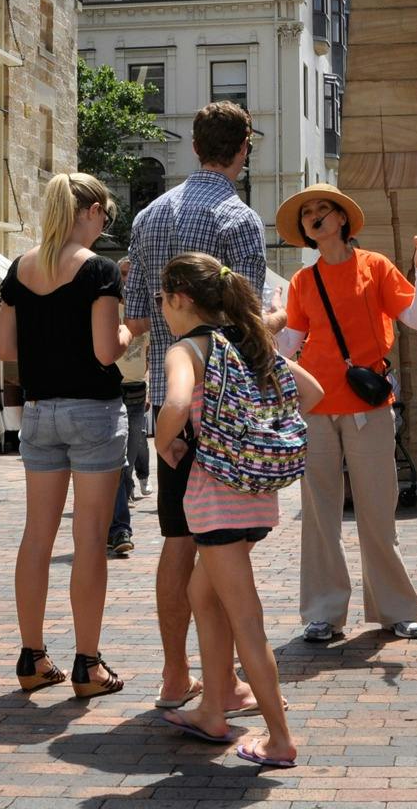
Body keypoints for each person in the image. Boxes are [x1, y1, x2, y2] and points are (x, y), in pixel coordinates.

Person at [151, 252, 324, 768]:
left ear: (180, 299)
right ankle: (212, 707)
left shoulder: (188, 349)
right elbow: (311, 392)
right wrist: (257, 423)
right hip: (255, 497)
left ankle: (280, 738)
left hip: (215, 501)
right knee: (203, 595)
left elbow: (176, 404)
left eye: (162, 299)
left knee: (246, 621)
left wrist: (168, 443)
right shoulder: (245, 345)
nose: (161, 309)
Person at [120, 101, 265, 712]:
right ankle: (225, 681)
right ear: (241, 150)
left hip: (165, 403)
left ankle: (177, 676)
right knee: (223, 553)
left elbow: (134, 319)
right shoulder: (239, 219)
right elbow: (249, 322)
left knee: (178, 544)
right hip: (222, 407)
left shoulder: (150, 215)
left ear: (195, 146)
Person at [276, 183, 417, 643]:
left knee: (378, 509)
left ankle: (395, 609)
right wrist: (264, 329)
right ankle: (323, 613)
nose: (315, 217)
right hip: (316, 407)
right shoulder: (304, 282)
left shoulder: (375, 266)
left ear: (342, 219)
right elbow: (291, 345)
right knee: (320, 514)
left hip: (367, 404)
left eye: (324, 210)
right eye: (308, 214)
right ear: (305, 229)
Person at [0, 173, 130, 698]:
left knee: (37, 536)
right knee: (90, 538)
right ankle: (88, 664)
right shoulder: (97, 270)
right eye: (106, 215)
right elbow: (105, 350)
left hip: (38, 411)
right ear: (92, 210)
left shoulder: (21, 267)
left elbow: (6, 348)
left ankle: (32, 656)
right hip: (93, 410)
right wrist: (129, 330)